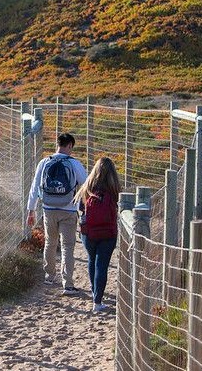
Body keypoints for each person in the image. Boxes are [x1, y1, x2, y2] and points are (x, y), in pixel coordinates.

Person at [27, 132, 88, 295]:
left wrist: (30, 209)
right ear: (69, 146)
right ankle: (67, 284)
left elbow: (35, 187)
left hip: (48, 209)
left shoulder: (44, 162)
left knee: (50, 242)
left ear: (57, 144)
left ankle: (49, 275)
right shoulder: (74, 163)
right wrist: (84, 206)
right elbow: (86, 184)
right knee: (68, 247)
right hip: (68, 210)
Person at [75, 157, 121, 312]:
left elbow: (80, 208)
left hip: (89, 232)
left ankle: (95, 293)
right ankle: (97, 301)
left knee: (92, 260)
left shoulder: (87, 187)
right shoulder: (114, 189)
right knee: (102, 265)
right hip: (108, 232)